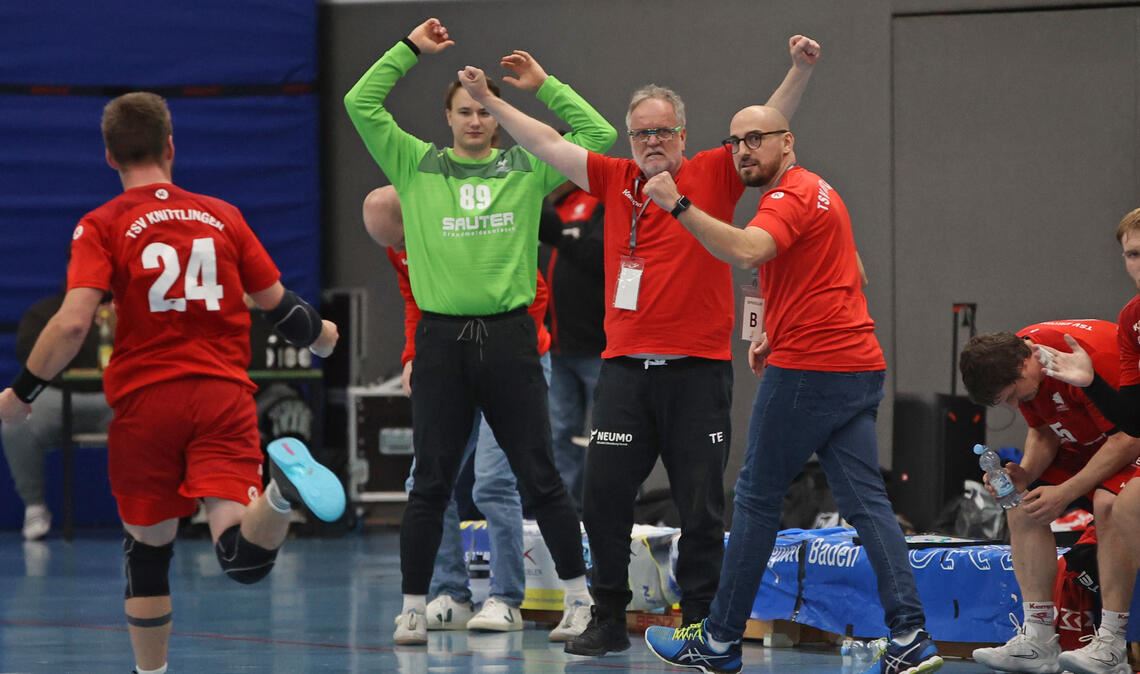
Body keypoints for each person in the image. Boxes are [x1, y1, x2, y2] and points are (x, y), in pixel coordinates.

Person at [456, 34, 821, 657]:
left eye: (663, 131)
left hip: (698, 374)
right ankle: (606, 615)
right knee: (602, 498)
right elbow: (546, 142)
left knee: (701, 505)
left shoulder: (712, 171)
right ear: (631, 139)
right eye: (641, 133)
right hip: (624, 371)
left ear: (683, 134)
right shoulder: (614, 178)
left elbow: (766, 126)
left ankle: (700, 622)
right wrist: (490, 99)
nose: (652, 141)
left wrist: (798, 69)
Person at [0, 91, 344, 674]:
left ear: (109, 156)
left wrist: (21, 392)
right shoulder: (222, 215)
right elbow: (279, 307)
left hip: (146, 403)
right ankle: (281, 496)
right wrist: (321, 337)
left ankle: (151, 673)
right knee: (241, 557)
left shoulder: (102, 224)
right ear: (170, 146)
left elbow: (74, 320)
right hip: (222, 396)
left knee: (147, 553)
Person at [627, 104, 942, 674]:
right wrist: (776, 324)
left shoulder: (787, 198)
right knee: (868, 505)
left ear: (787, 142)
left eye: (756, 139)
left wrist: (676, 203)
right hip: (858, 366)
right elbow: (853, 273)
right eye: (736, 142)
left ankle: (719, 640)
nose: (744, 150)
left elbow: (747, 250)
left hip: (810, 371)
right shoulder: (821, 191)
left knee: (753, 498)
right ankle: (911, 636)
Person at [344, 18, 617, 646]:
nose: (475, 120)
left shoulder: (527, 168)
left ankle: (577, 601)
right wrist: (410, 50)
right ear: (447, 118)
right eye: (465, 110)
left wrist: (541, 85)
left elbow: (598, 137)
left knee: (538, 475)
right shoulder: (415, 165)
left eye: (483, 111)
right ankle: (416, 605)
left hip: (510, 341)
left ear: (495, 117)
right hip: (441, 342)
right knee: (430, 481)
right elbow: (360, 101)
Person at [362, 185, 557, 636]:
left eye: (403, 242)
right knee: (427, 482)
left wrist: (506, 356)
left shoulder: (473, 232)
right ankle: (451, 592)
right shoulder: (402, 250)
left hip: (514, 363)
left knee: (493, 481)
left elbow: (536, 294)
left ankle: (507, 598)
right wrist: (413, 356)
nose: (401, 252)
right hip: (453, 364)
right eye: (394, 247)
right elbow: (414, 301)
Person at [958, 319, 1140, 674]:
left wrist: (1065, 492)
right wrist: (1024, 473)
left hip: (1130, 444)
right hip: (1091, 447)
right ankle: (1038, 639)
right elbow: (1044, 432)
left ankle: (1111, 644)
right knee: (1021, 501)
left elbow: (1129, 437)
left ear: (1026, 363)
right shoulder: (1022, 364)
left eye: (1012, 395)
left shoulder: (1092, 356)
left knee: (1108, 502)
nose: (1013, 405)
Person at [1015, 208, 1140, 674]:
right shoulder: (1132, 320)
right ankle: (1080, 643)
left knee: (1116, 502)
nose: (1138, 265)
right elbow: (1134, 421)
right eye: (1131, 255)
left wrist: (1068, 491)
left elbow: (1127, 441)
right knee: (1029, 502)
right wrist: (1091, 384)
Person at [2, 291, 114, 540]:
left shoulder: (129, 310)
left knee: (156, 420)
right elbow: (29, 355)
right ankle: (34, 506)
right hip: (56, 394)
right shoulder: (44, 312)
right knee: (16, 425)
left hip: (115, 396)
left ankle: (144, 510)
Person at [538, 179, 605, 511]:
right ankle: (563, 512)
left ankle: (605, 508)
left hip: (598, 345)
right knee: (560, 433)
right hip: (554, 347)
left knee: (608, 435)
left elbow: (605, 258)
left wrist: (560, 237)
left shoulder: (597, 203)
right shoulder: (539, 207)